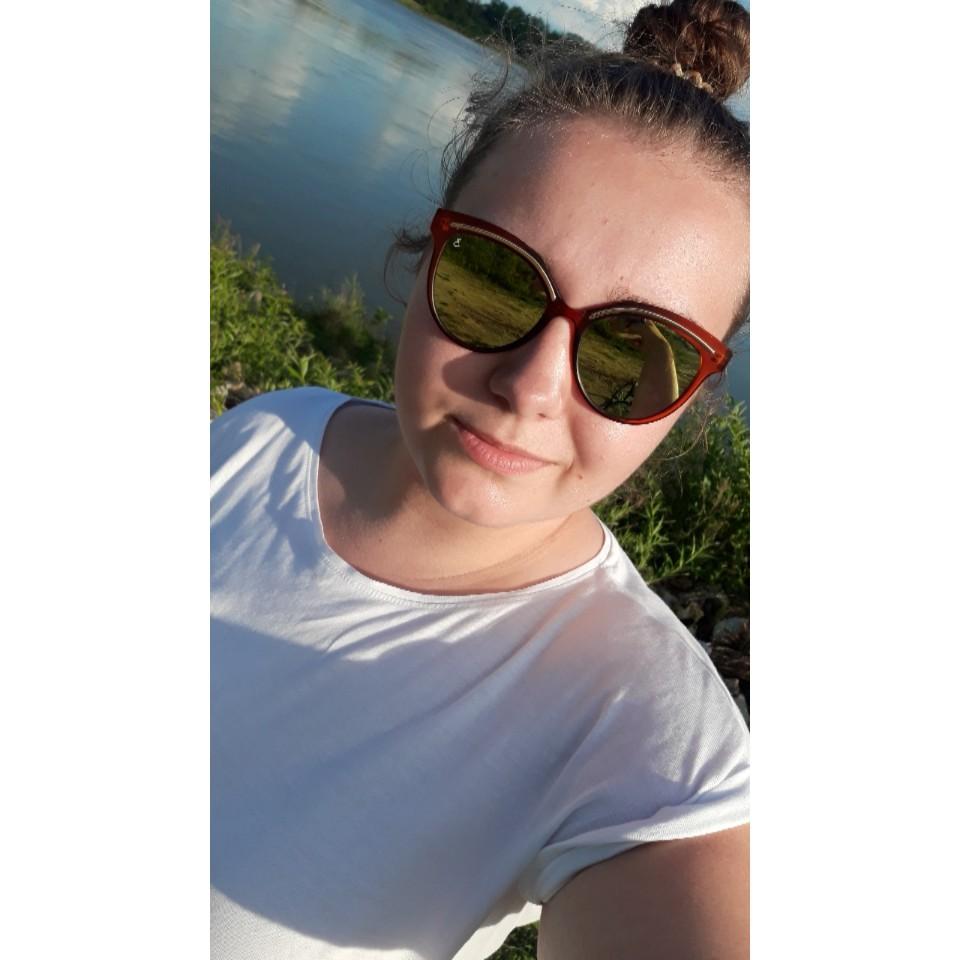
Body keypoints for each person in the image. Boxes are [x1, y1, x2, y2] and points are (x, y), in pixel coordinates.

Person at [210, 1, 750, 957]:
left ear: (692, 393)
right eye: (496, 278)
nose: (532, 388)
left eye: (635, 351)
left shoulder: (642, 734)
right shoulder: (269, 434)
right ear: (428, 251)